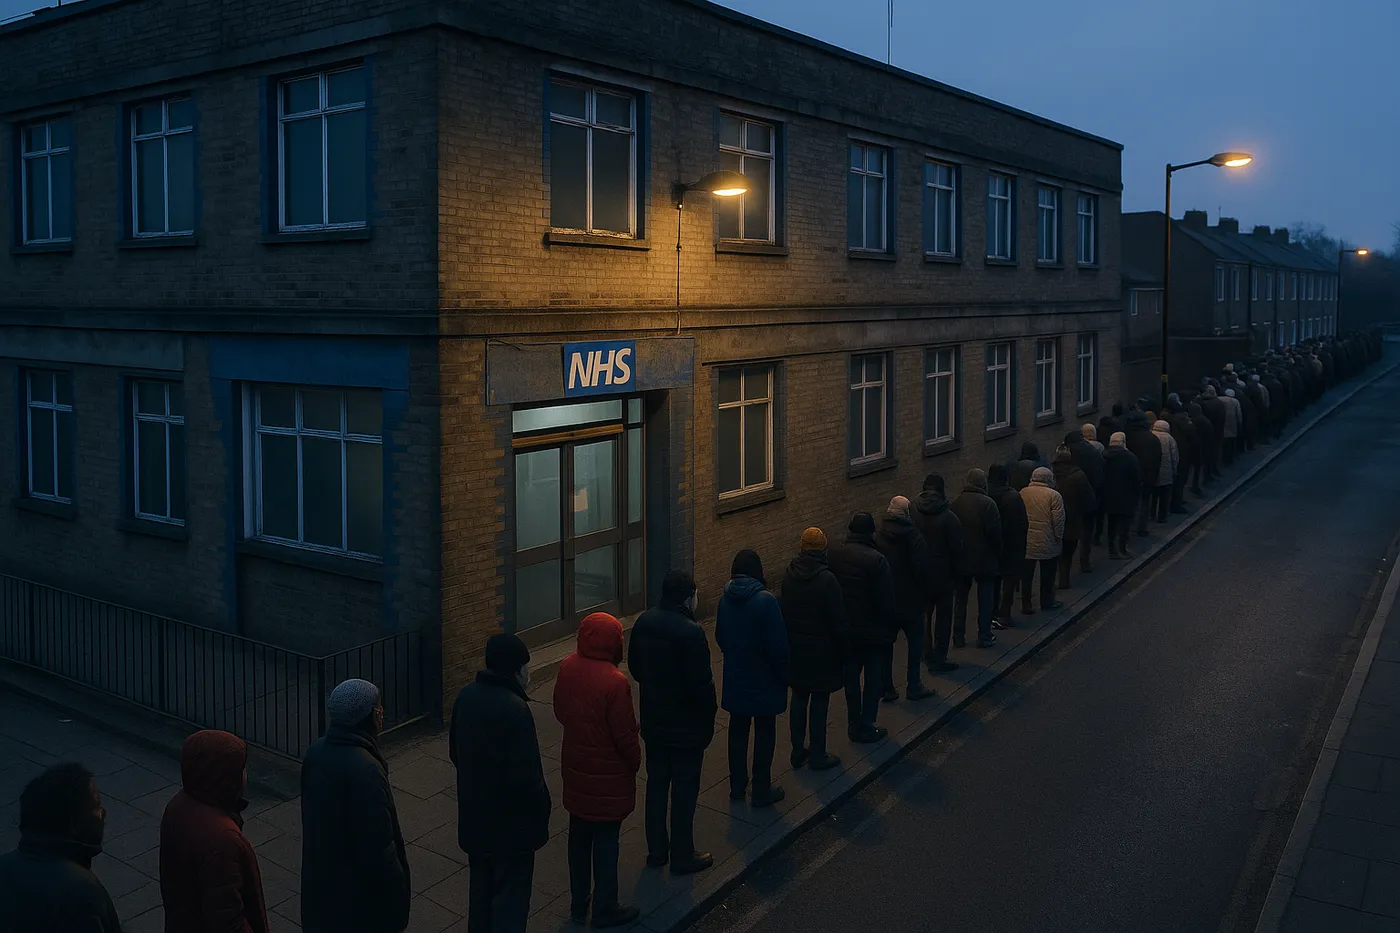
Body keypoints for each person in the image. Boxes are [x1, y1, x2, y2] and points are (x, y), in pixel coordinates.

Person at [450, 634, 551, 933]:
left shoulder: (465, 697)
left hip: (475, 822)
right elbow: (528, 778)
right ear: (514, 670)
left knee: (480, 898)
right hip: (510, 831)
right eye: (525, 667)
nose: (528, 673)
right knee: (510, 903)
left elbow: (455, 752)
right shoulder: (515, 710)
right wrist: (541, 811)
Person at [553, 612, 641, 928]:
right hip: (608, 776)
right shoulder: (615, 682)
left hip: (576, 769)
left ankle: (579, 904)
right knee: (606, 840)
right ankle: (605, 907)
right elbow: (624, 736)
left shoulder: (567, 667)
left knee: (578, 837)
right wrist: (635, 761)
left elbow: (560, 711)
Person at [302, 679, 411, 933]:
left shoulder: (316, 752)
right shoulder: (366, 769)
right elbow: (379, 847)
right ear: (372, 716)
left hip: (323, 893)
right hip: (360, 905)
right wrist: (397, 902)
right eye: (380, 709)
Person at [628, 571, 717, 872]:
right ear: (688, 597)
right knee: (684, 791)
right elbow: (702, 687)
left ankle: (657, 852)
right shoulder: (691, 633)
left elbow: (635, 668)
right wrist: (707, 722)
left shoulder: (643, 622)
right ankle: (682, 854)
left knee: (656, 787)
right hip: (685, 729)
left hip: (654, 723)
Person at [160, 730, 270, 933]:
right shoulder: (222, 838)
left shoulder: (178, 805)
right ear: (227, 778)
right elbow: (228, 921)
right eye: (241, 769)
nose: (245, 774)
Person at [0, 762, 120, 933]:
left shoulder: (4, 867)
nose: (103, 814)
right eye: (97, 807)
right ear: (75, 824)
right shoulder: (81, 893)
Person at [716, 552, 791, 809]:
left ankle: (737, 786)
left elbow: (720, 637)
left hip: (736, 676)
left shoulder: (724, 599)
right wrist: (784, 674)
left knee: (737, 731)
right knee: (764, 732)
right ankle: (761, 789)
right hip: (764, 678)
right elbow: (778, 646)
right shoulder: (766, 602)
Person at [779, 527, 847, 772]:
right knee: (819, 701)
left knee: (799, 698)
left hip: (796, 648)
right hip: (821, 651)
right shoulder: (827, 580)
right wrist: (843, 650)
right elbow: (838, 622)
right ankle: (818, 754)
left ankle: (798, 750)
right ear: (822, 549)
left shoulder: (789, 574)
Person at [828, 511, 896, 743]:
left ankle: (853, 722)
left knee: (851, 679)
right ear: (871, 532)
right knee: (872, 679)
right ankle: (867, 724)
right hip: (872, 631)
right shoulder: (877, 560)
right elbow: (886, 600)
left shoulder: (835, 554)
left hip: (847, 629)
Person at [874, 496, 938, 701]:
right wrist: (924, 592)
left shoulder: (879, 535)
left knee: (886, 646)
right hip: (911, 600)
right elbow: (922, 569)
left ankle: (887, 687)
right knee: (915, 645)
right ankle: (914, 685)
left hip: (888, 600)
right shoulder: (913, 536)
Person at [910, 473, 964, 670]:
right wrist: (958, 576)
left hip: (920, 573)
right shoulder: (949, 517)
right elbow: (957, 550)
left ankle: (926, 652)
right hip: (943, 575)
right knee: (943, 617)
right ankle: (940, 656)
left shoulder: (912, 512)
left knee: (924, 615)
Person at [949, 470, 1003, 649]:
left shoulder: (956, 503)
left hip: (962, 559)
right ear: (983, 484)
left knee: (960, 600)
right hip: (984, 559)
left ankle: (958, 636)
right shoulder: (988, 504)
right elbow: (995, 534)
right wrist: (998, 554)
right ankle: (984, 635)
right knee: (985, 599)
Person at [986, 463, 1028, 629]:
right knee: (1009, 580)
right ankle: (1005, 614)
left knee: (994, 580)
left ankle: (991, 612)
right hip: (1011, 544)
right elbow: (1022, 523)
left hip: (991, 545)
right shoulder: (1013, 497)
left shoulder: (986, 495)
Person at [1019, 467, 1065, 613]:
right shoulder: (1054, 495)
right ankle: (1046, 601)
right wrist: (1059, 537)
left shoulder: (1023, 492)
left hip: (1027, 539)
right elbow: (1058, 520)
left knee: (1027, 575)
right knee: (1048, 574)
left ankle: (1026, 604)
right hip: (1047, 538)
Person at [1049, 446, 1096, 587]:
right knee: (1068, 552)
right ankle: (1064, 580)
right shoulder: (1078, 476)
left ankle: (1053, 581)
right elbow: (1088, 499)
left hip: (1053, 520)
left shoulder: (1052, 476)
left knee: (1056, 552)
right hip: (1073, 519)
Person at [1064, 428, 1105, 555]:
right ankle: (1084, 557)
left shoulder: (1069, 452)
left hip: (1071, 495)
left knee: (1071, 527)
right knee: (1087, 527)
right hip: (1091, 493)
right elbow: (1100, 471)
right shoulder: (1092, 450)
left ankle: (1068, 556)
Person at [1101, 432, 1141, 559]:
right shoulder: (1130, 457)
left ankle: (1112, 549)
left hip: (1109, 495)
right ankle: (1122, 549)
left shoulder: (1104, 455)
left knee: (1111, 523)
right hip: (1126, 495)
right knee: (1124, 524)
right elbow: (1136, 478)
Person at [1124, 408, 1161, 537]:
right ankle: (1141, 528)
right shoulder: (1153, 438)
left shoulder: (1127, 437)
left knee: (1130, 501)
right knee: (1145, 502)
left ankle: (1127, 527)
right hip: (1148, 475)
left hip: (1130, 476)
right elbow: (1157, 459)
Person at [1165, 396, 1198, 511]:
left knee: (1178, 476)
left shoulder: (1170, 417)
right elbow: (1191, 433)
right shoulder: (1182, 419)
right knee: (1181, 476)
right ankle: (1176, 502)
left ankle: (1177, 500)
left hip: (1178, 449)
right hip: (1183, 450)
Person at [1151, 420, 1179, 523]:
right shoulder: (1169, 439)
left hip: (1153, 470)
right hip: (1166, 471)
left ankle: (1152, 514)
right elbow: (1174, 456)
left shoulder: (1151, 435)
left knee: (1153, 494)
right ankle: (1162, 516)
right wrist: (1174, 469)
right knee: (1164, 495)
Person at [1219, 387, 1243, 465]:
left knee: (1223, 441)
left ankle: (1223, 457)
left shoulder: (1220, 399)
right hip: (1232, 423)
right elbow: (1239, 414)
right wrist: (1240, 422)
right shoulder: (1235, 401)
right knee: (1231, 441)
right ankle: (1230, 458)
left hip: (1222, 422)